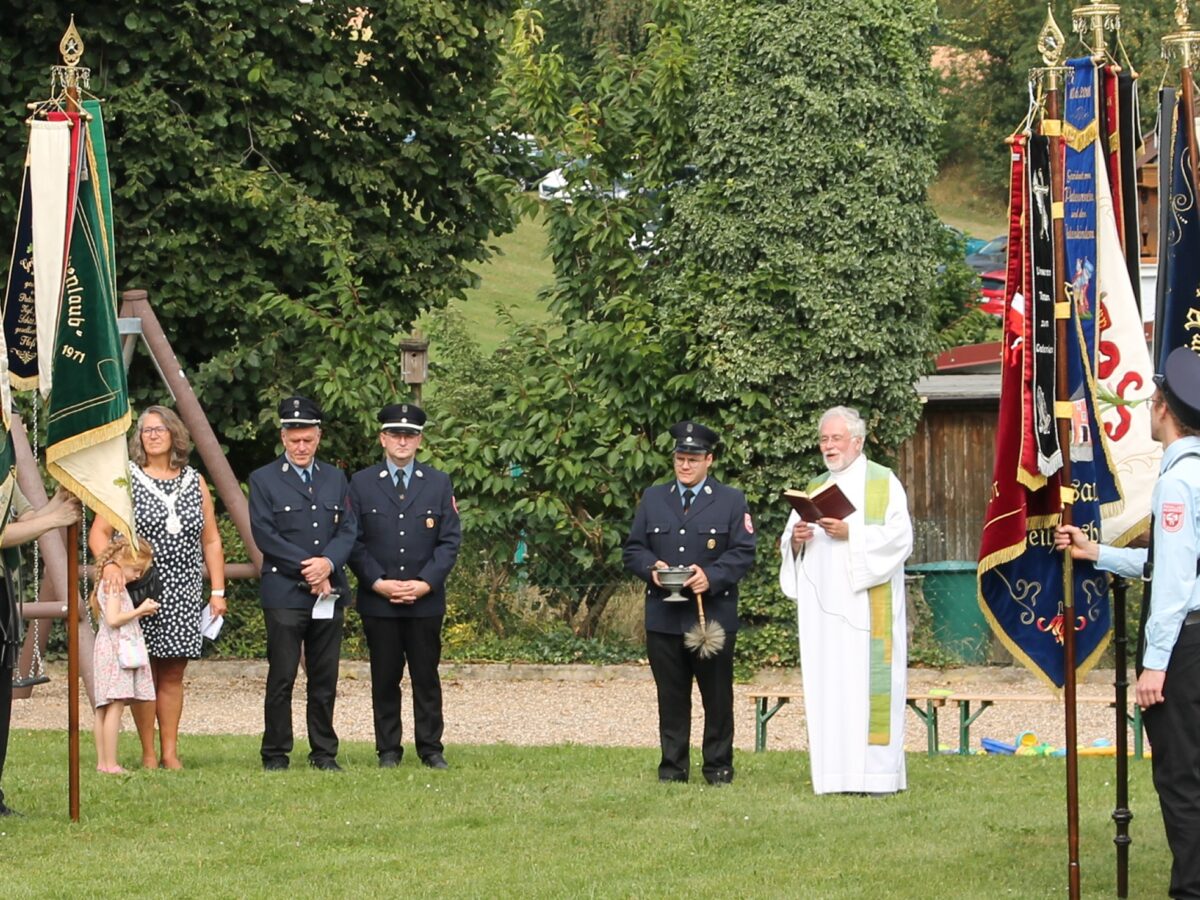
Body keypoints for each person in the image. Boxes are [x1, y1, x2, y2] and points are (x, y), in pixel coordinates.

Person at [1056, 346, 1200, 897]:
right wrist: (1101, 554)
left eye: (1152, 399)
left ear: (1164, 408)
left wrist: (1156, 666)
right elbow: (1175, 563)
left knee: (1180, 777)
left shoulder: (1177, 484)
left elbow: (1173, 586)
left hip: (1185, 645)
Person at [778, 406, 913, 795]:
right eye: (824, 439)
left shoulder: (883, 483)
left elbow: (900, 539)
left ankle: (877, 778)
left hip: (869, 610)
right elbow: (790, 542)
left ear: (857, 440)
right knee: (830, 686)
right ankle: (835, 776)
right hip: (825, 617)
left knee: (868, 687)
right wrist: (797, 540)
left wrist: (850, 532)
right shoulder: (816, 485)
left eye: (836, 438)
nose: (829, 446)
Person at [90, 405, 226, 770]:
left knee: (173, 672)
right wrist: (114, 566)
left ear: (174, 435)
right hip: (142, 588)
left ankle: (170, 752)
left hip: (183, 588)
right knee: (142, 668)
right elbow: (99, 533)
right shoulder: (127, 479)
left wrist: (217, 590)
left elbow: (211, 540)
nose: (151, 435)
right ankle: (148, 754)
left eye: (159, 429)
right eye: (146, 430)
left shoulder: (194, 480)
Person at [623, 420, 756, 785]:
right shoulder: (654, 498)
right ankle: (673, 769)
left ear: (709, 460)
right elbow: (634, 549)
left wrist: (710, 577)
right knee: (671, 697)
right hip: (664, 617)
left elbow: (744, 552)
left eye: (693, 459)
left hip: (710, 617)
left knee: (716, 698)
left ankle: (718, 768)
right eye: (680, 458)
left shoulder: (731, 500)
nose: (685, 466)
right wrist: (652, 568)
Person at [349, 403, 461, 769]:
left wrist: (425, 583)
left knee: (426, 678)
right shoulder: (362, 483)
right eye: (395, 434)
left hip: (424, 601)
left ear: (420, 440)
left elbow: (449, 541)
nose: (402, 441)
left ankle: (431, 749)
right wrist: (377, 582)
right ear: (383, 438)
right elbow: (354, 540)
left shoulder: (438, 482)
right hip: (379, 600)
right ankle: (388, 750)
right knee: (385, 678)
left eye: (409, 435)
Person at [249, 396, 357, 772]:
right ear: (282, 436)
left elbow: (348, 528)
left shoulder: (335, 477)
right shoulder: (263, 479)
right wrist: (308, 568)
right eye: (294, 439)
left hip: (328, 590)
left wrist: (327, 563)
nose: (300, 447)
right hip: (285, 592)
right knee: (282, 675)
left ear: (318, 437)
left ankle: (323, 752)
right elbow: (265, 534)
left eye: (307, 440)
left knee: (324, 676)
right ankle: (275, 753)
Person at [0, 487, 82, 814]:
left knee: (2, 696)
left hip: (3, 588)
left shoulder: (4, 465)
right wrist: (56, 518)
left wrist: (57, 505)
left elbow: (27, 516)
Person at [90, 536, 159, 774]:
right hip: (115, 650)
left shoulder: (109, 581)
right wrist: (141, 610)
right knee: (115, 705)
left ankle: (103, 762)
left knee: (103, 708)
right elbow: (113, 619)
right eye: (136, 570)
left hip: (106, 647)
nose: (138, 576)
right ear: (120, 559)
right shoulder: (115, 584)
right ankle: (110, 763)